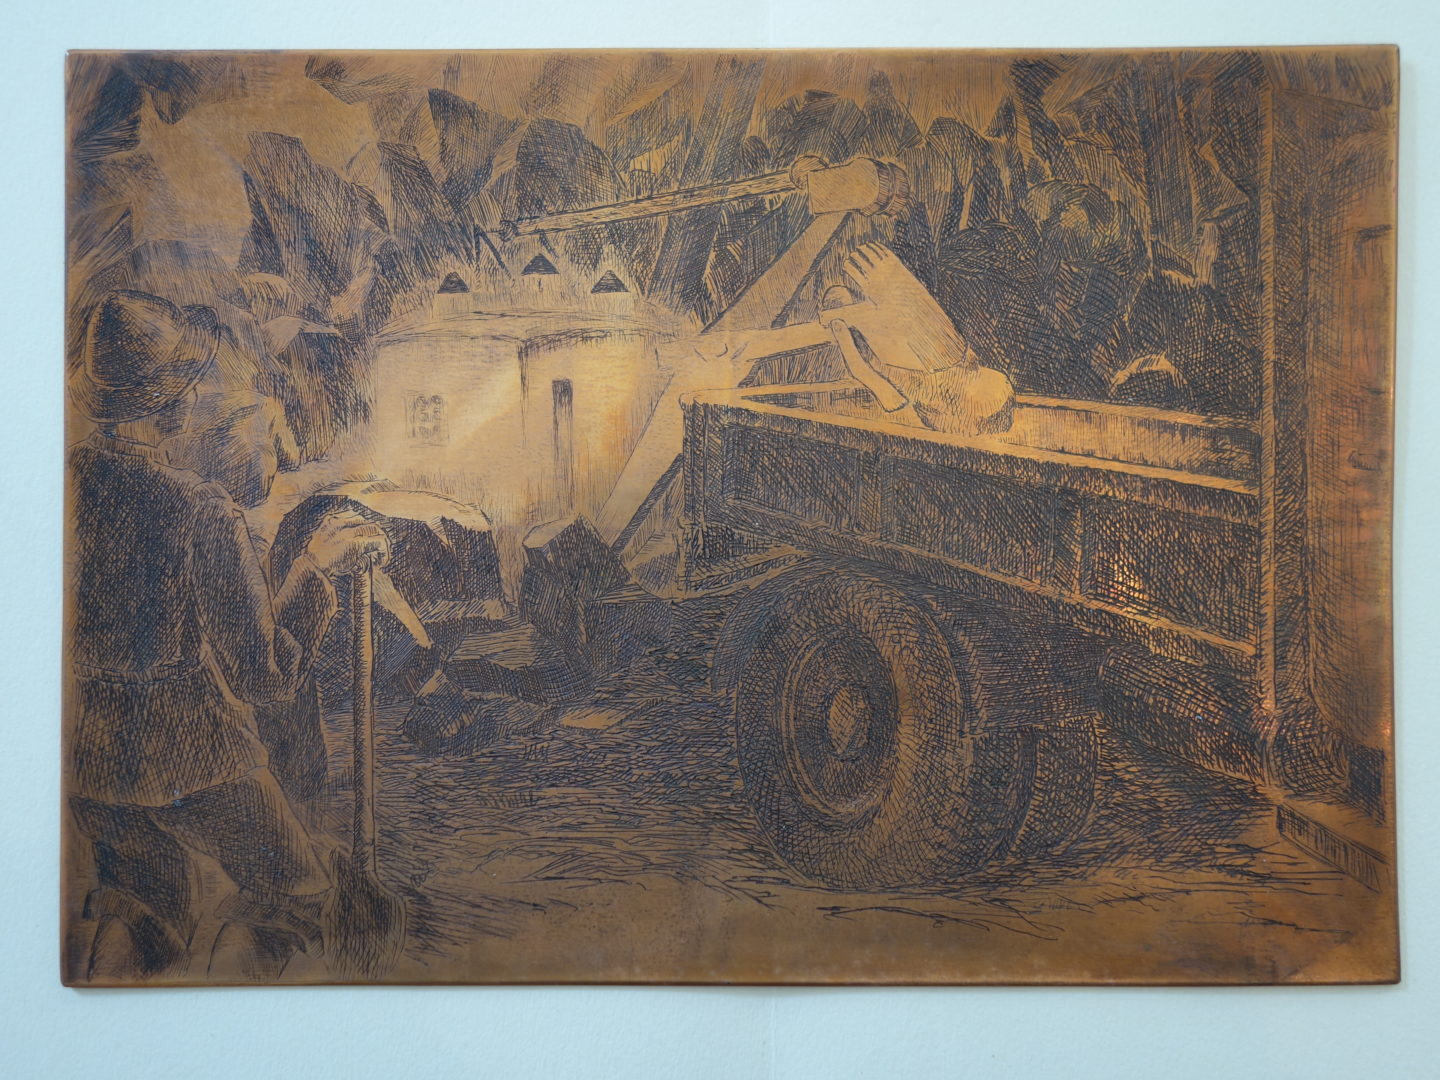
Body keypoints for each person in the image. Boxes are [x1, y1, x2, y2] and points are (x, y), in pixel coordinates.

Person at [65, 290, 388, 982]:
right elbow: (262, 676)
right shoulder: (199, 510)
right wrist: (313, 568)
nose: (194, 396)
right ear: (171, 402)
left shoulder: (65, 485)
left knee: (142, 906)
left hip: (91, 753)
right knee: (293, 893)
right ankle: (234, 1025)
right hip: (192, 748)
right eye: (189, 381)